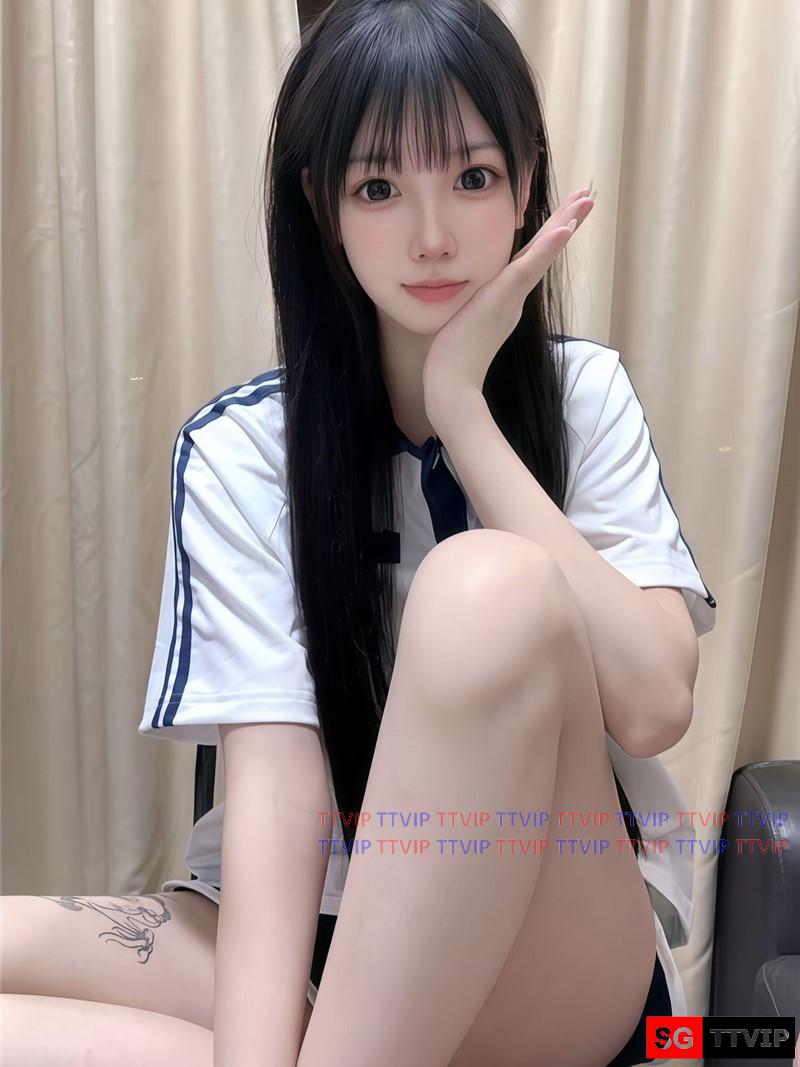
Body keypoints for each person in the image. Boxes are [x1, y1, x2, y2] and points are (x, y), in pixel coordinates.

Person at [0, 1, 717, 1064]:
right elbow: (277, 791)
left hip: (547, 924)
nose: (430, 235)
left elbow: (654, 703)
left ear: (526, 181)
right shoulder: (241, 450)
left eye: (471, 176)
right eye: (378, 187)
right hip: (318, 932)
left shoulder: (584, 398)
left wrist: (464, 412)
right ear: (322, 204)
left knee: (491, 590)